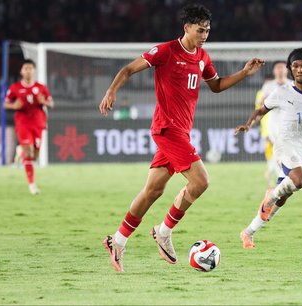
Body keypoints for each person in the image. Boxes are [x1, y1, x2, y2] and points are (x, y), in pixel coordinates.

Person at [99, 3, 264, 272]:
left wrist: (244, 73)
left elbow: (217, 85)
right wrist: (111, 91)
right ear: (186, 28)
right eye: (200, 30)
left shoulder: (202, 57)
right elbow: (128, 69)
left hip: (182, 131)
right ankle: (164, 230)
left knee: (153, 190)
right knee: (201, 181)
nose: (204, 35)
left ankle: (117, 241)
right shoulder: (165, 51)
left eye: (208, 30)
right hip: (167, 129)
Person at [235, 48, 302, 249]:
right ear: (290, 69)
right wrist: (248, 124)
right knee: (300, 179)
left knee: (283, 196)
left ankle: (248, 232)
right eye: (295, 66)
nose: (300, 69)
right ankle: (270, 194)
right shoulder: (282, 92)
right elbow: (261, 110)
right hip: (285, 144)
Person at [4, 59, 54, 195]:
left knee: (35, 156)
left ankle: (20, 151)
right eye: (25, 68)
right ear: (21, 71)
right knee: (29, 153)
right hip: (23, 123)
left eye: (30, 68)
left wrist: (44, 102)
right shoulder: (14, 88)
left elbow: (51, 103)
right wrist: (14, 106)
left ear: (34, 70)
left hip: (38, 123)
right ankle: (32, 185)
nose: (28, 71)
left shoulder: (41, 87)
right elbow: (6, 104)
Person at [254, 62, 290, 187]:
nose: (280, 70)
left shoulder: (292, 85)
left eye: (282, 68)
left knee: (285, 151)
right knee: (277, 149)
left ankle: (276, 174)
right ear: (274, 71)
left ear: (287, 70)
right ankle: (280, 177)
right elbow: (261, 104)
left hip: (289, 124)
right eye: (277, 68)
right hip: (273, 124)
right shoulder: (268, 86)